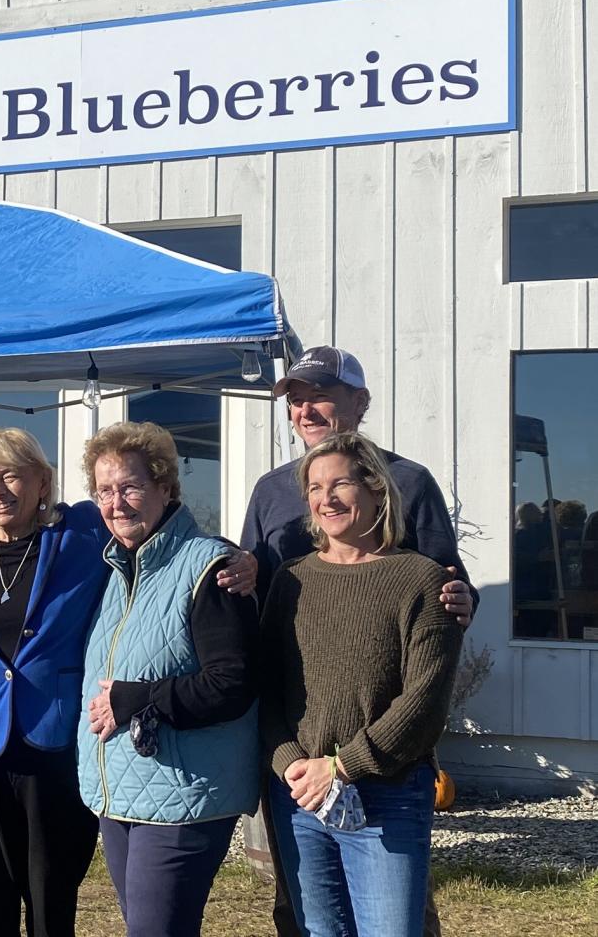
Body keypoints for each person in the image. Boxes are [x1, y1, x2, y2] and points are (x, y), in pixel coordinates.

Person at [217, 346, 474, 937]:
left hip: (379, 757)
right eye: (296, 399)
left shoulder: (409, 480)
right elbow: (260, 615)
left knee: (396, 916)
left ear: (359, 402)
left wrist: (463, 601)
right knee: (302, 911)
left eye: (320, 395)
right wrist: (288, 760)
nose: (306, 409)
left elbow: (443, 591)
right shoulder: (270, 491)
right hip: (297, 755)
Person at [260, 432, 464, 937]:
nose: (325, 499)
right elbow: (266, 687)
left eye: (341, 484)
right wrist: (293, 766)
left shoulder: (419, 579)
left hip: (387, 796)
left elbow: (425, 701)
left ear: (376, 489)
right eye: (313, 487)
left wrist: (343, 767)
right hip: (300, 796)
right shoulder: (291, 580)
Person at [78, 421, 260, 937]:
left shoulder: (209, 567)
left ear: (165, 487)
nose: (117, 503)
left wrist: (134, 699)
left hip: (185, 794)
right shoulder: (117, 571)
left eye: (131, 487)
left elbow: (232, 684)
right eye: (105, 491)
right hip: (123, 793)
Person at [0, 428, 107, 937]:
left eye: (12, 475)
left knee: (51, 891)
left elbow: (152, 521)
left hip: (51, 735)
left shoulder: (82, 535)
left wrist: (234, 556)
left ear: (43, 482)